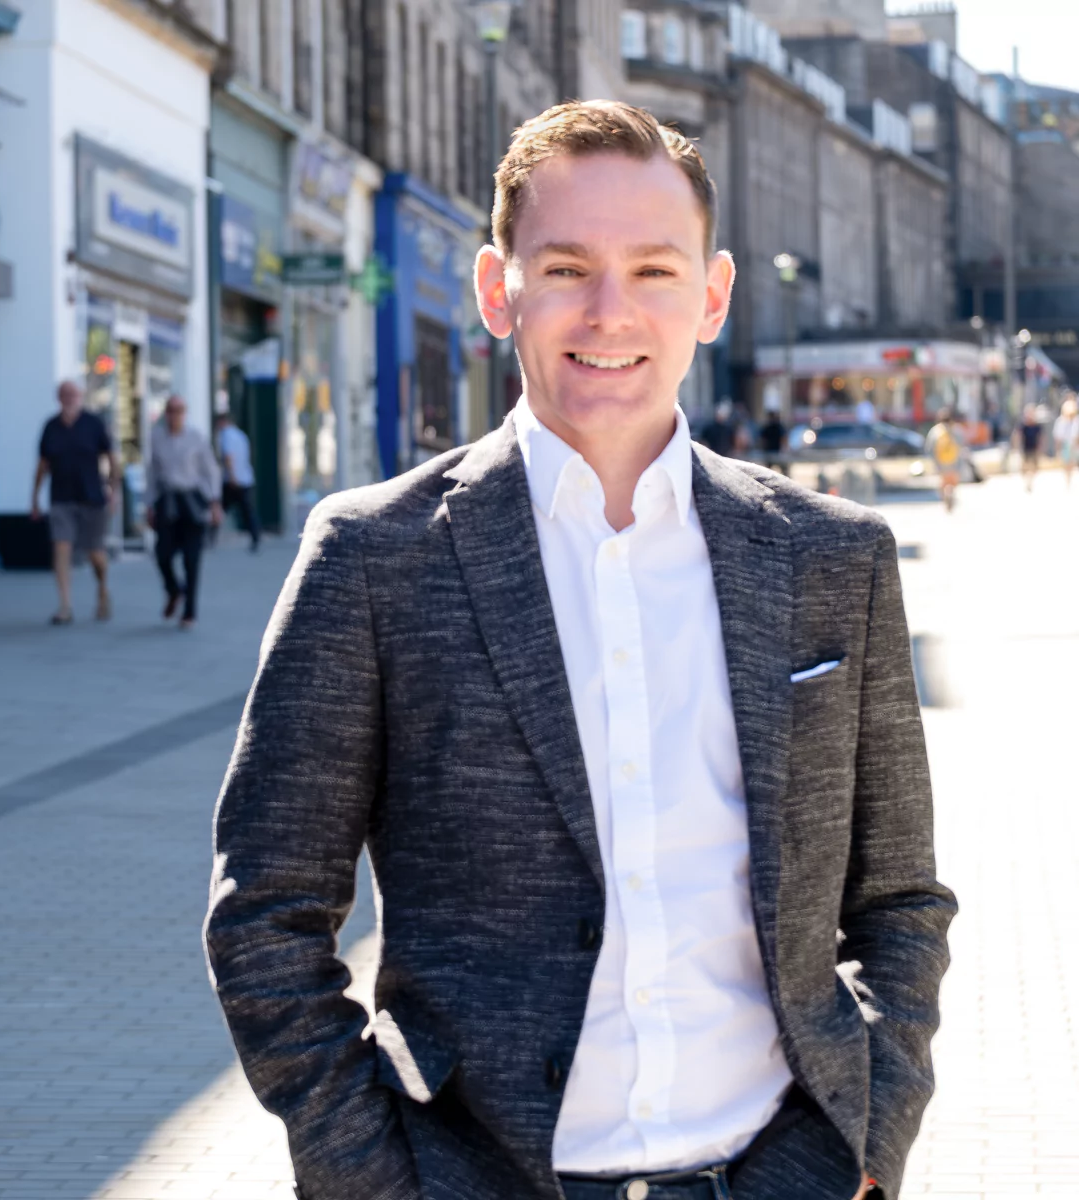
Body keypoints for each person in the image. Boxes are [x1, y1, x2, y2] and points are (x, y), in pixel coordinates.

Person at [205, 101, 955, 1200]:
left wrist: (869, 1142)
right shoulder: (375, 559)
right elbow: (265, 912)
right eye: (567, 267)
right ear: (498, 290)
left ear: (712, 296)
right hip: (481, 1175)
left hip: (779, 1171)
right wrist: (370, 1174)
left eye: (654, 270)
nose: (611, 311)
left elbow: (898, 901)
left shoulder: (832, 559)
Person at [31, 380, 118, 625]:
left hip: (92, 498)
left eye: (73, 394)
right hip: (61, 498)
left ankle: (102, 588)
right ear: (58, 398)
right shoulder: (50, 427)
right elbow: (42, 465)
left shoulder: (94, 424)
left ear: (81, 396)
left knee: (95, 554)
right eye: (64, 394)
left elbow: (112, 458)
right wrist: (35, 498)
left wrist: (113, 490)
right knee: (61, 547)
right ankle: (65, 606)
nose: (69, 398)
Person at [146, 395, 221, 628]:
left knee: (191, 558)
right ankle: (174, 590)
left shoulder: (196, 437)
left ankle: (190, 612)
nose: (174, 415)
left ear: (184, 413)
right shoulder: (156, 437)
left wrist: (214, 501)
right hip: (167, 500)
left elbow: (211, 471)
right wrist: (149, 504)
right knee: (163, 554)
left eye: (179, 410)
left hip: (192, 500)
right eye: (170, 410)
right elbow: (152, 473)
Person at [215, 411, 261, 551]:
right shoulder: (241, 435)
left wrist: (232, 475)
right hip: (245, 478)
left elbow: (228, 457)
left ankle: (210, 534)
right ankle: (255, 536)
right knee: (247, 510)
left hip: (233, 479)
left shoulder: (225, 435)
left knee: (220, 507)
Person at [924, 408, 964, 512]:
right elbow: (962, 446)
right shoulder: (956, 430)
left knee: (943, 481)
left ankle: (945, 497)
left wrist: (933, 462)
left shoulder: (935, 431)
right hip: (954, 461)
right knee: (952, 481)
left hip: (940, 462)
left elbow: (929, 448)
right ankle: (950, 493)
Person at [1053, 396, 1079, 488]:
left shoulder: (1076, 421)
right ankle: (1068, 481)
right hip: (1066, 445)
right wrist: (1058, 449)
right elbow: (1058, 437)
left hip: (1075, 445)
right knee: (1067, 464)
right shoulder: (1060, 422)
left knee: (1073, 463)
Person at [1017, 404, 1043, 491]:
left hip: (1034, 448)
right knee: (1024, 467)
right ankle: (1027, 482)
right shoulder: (1023, 425)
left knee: (1034, 467)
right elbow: (1018, 436)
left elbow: (1040, 437)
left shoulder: (1037, 426)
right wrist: (1016, 447)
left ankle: (1030, 482)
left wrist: (1041, 448)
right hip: (1025, 448)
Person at [757, 403, 787, 474]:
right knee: (777, 469)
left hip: (773, 451)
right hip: (773, 451)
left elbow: (762, 440)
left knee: (769, 470)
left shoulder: (772, 427)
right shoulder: (776, 427)